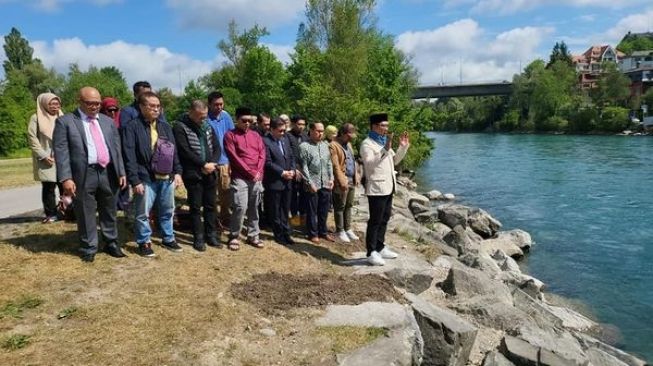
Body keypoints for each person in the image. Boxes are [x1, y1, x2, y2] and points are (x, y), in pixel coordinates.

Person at [53, 87, 127, 262]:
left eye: (97, 103)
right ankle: (88, 247)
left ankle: (111, 243)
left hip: (108, 172)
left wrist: (121, 171)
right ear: (79, 101)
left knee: (109, 209)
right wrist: (66, 178)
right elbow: (61, 152)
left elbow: (117, 149)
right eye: (90, 103)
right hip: (84, 173)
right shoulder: (66, 122)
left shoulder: (108, 122)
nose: (94, 107)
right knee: (85, 211)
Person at [122, 91, 183, 257]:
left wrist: (177, 172)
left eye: (158, 106)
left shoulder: (165, 126)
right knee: (142, 213)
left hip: (166, 177)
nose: (156, 109)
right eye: (152, 106)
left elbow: (173, 151)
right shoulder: (132, 127)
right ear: (142, 107)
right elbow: (129, 155)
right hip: (145, 177)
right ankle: (144, 242)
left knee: (167, 210)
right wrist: (135, 181)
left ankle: (168, 238)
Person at [360, 113, 410, 266]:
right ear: (374, 126)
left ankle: (380, 247)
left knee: (385, 218)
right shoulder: (367, 144)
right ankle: (371, 252)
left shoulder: (383, 142)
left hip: (388, 186)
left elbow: (394, 161)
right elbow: (369, 164)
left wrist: (402, 147)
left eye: (387, 126)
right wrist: (384, 149)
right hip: (376, 187)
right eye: (383, 125)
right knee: (375, 220)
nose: (386, 128)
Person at [173, 100, 221, 252]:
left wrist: (212, 163)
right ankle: (198, 237)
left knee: (210, 205)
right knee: (195, 207)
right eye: (200, 116)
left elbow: (217, 147)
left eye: (205, 116)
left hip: (210, 171)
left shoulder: (207, 126)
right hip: (194, 173)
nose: (203, 119)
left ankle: (211, 234)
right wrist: (202, 164)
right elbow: (184, 150)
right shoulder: (180, 126)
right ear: (191, 112)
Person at [223, 107, 266, 251]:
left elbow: (262, 153)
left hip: (256, 177)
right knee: (240, 207)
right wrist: (250, 172)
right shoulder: (230, 135)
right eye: (244, 120)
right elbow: (234, 157)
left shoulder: (256, 135)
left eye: (250, 121)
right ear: (237, 120)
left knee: (254, 207)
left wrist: (259, 171)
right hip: (240, 177)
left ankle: (253, 235)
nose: (247, 123)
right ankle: (234, 236)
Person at [28, 93, 64, 223]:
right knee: (49, 187)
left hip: (62, 157)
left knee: (64, 185)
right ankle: (51, 214)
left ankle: (67, 211)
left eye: (57, 103)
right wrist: (43, 155)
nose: (55, 106)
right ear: (44, 104)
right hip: (46, 158)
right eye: (52, 104)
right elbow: (32, 138)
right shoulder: (36, 118)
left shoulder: (61, 116)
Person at [299, 122, 334, 243]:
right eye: (318, 131)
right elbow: (303, 167)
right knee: (312, 210)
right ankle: (313, 233)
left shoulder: (325, 145)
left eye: (322, 131)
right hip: (312, 184)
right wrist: (309, 182)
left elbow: (329, 163)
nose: (320, 133)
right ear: (311, 131)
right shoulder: (304, 146)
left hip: (325, 182)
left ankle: (323, 231)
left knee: (324, 210)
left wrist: (331, 178)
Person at [263, 118, 296, 245]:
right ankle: (278, 234)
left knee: (285, 208)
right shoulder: (266, 141)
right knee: (275, 209)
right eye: (280, 131)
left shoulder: (285, 139)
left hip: (288, 180)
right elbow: (268, 162)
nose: (283, 133)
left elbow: (291, 156)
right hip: (275, 181)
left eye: (284, 130)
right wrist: (282, 172)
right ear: (272, 129)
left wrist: (292, 170)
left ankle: (286, 232)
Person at [206, 91, 235, 232]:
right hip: (210, 161)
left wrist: (232, 160)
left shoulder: (226, 116)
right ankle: (212, 219)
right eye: (216, 104)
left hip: (224, 160)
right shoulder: (204, 118)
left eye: (221, 104)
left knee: (225, 191)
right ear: (209, 104)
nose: (219, 107)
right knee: (210, 192)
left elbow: (232, 137)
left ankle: (225, 218)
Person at [329, 123, 360, 243]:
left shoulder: (349, 145)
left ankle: (348, 229)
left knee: (349, 205)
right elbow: (335, 166)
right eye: (350, 133)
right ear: (343, 133)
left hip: (351, 179)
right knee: (340, 206)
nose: (353, 135)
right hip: (342, 180)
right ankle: (340, 230)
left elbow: (353, 160)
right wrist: (341, 181)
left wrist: (356, 175)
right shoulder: (333, 145)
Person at [101, 97, 129, 211]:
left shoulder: (121, 121)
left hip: (122, 155)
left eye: (115, 110)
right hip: (108, 159)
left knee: (123, 181)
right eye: (109, 110)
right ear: (104, 110)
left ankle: (123, 203)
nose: (112, 112)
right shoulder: (99, 122)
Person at [286, 115, 308, 226]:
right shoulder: (288, 136)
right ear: (293, 124)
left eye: (303, 125)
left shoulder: (305, 136)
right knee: (293, 196)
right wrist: (294, 168)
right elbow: (289, 154)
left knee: (304, 196)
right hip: (293, 170)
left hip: (305, 171)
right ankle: (294, 221)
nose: (301, 127)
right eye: (299, 124)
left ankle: (303, 222)